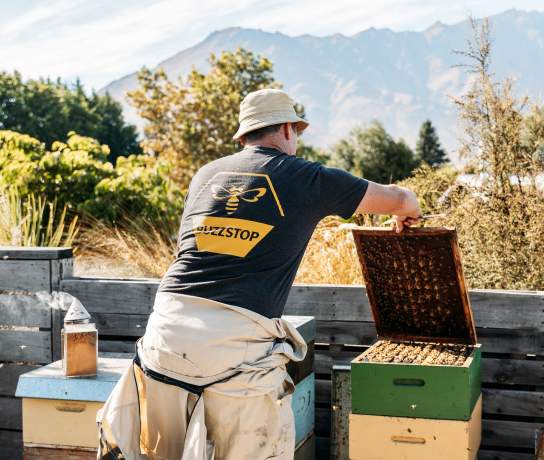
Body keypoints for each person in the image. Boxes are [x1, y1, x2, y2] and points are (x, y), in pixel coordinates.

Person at [97, 88, 422, 460]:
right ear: (287, 129)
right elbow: (400, 200)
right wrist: (406, 211)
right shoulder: (306, 178)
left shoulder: (206, 175)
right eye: (296, 132)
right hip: (235, 348)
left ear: (243, 137)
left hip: (165, 337)